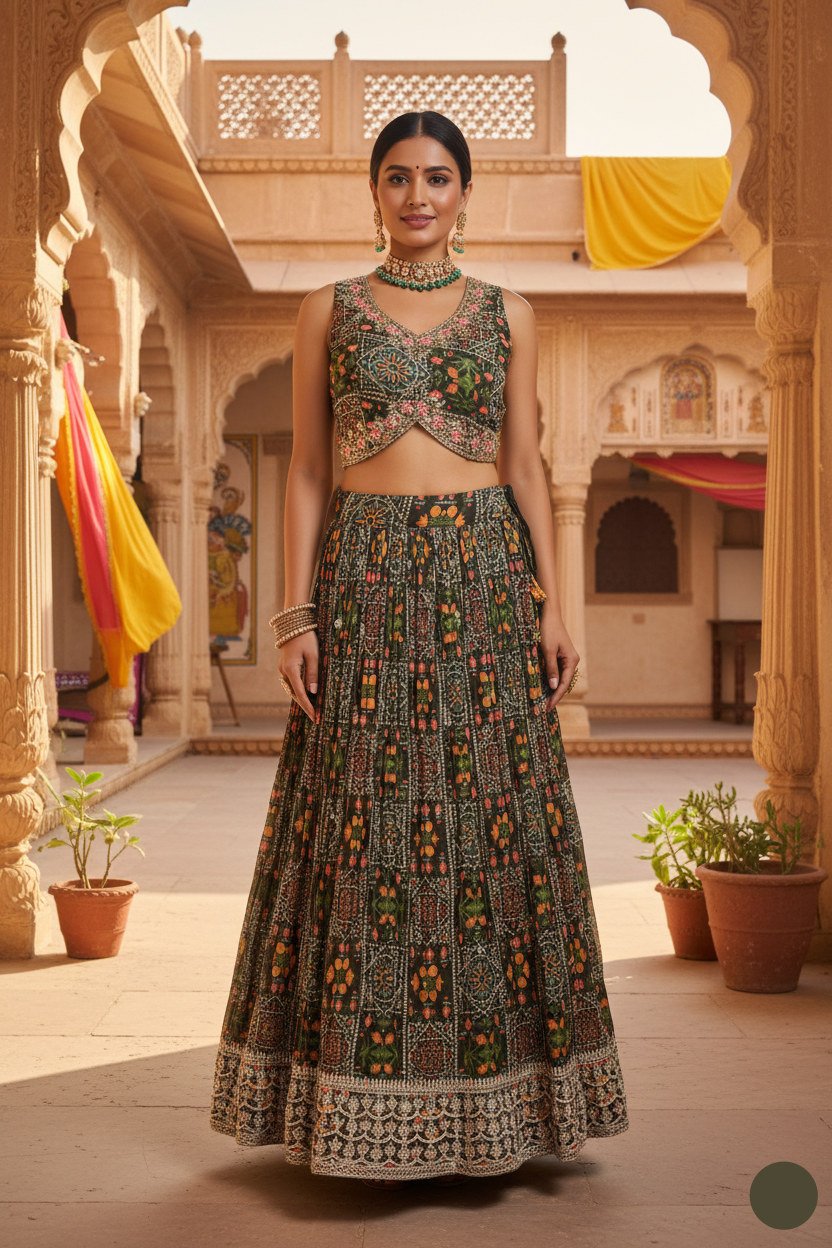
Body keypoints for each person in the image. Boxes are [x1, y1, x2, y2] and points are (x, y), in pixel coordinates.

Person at [210, 110, 628, 1186]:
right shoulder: (327, 312)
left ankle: (500, 1110)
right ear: (375, 192)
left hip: (485, 574)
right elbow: (307, 469)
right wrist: (293, 617)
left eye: (437, 178)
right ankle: (354, 1102)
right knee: (364, 827)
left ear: (465, 192)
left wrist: (554, 602)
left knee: (491, 820)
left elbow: (526, 464)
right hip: (363, 578)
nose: (417, 197)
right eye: (397, 178)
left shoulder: (510, 314)